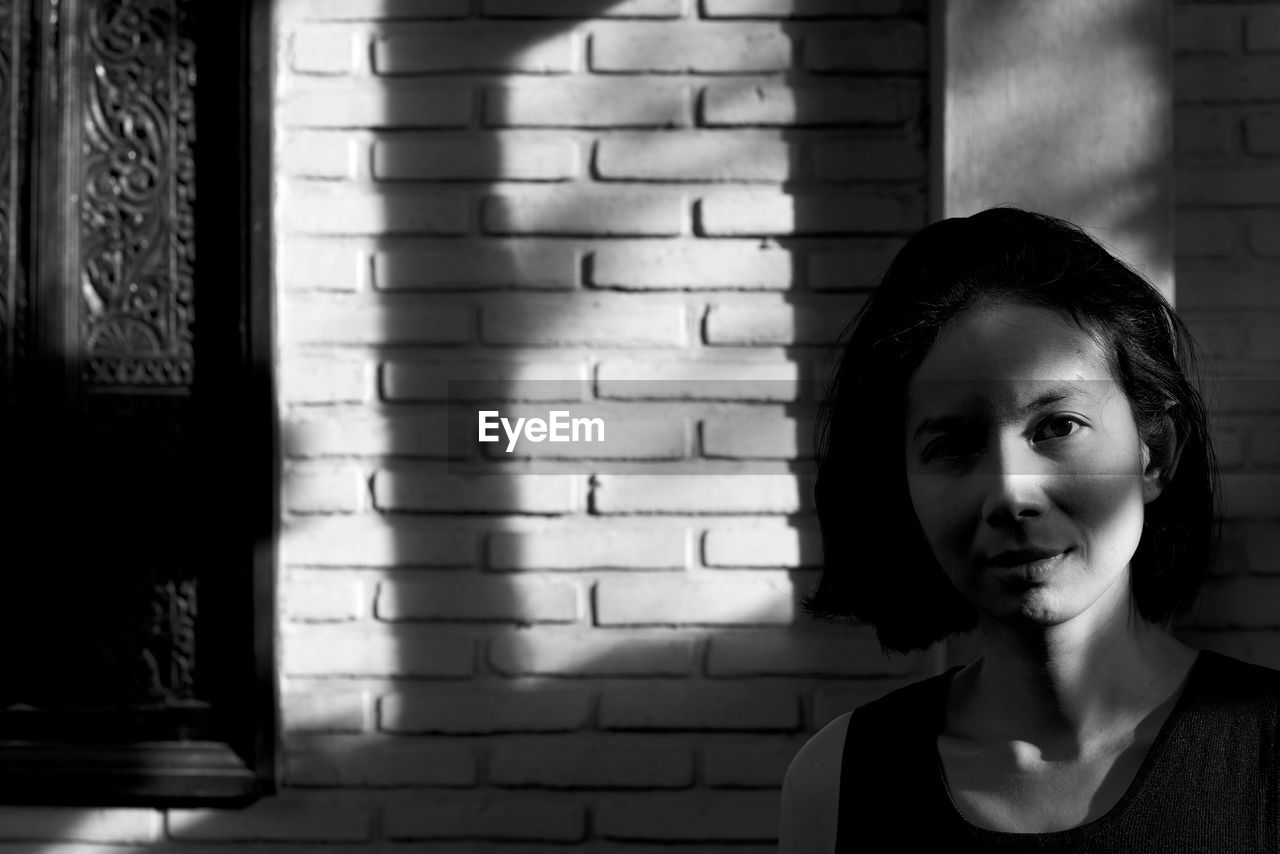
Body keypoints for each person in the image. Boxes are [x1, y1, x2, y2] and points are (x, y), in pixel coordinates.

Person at [779, 207, 1280, 852]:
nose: (1011, 492)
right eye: (954, 446)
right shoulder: (840, 781)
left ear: (1152, 452)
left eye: (1058, 427)